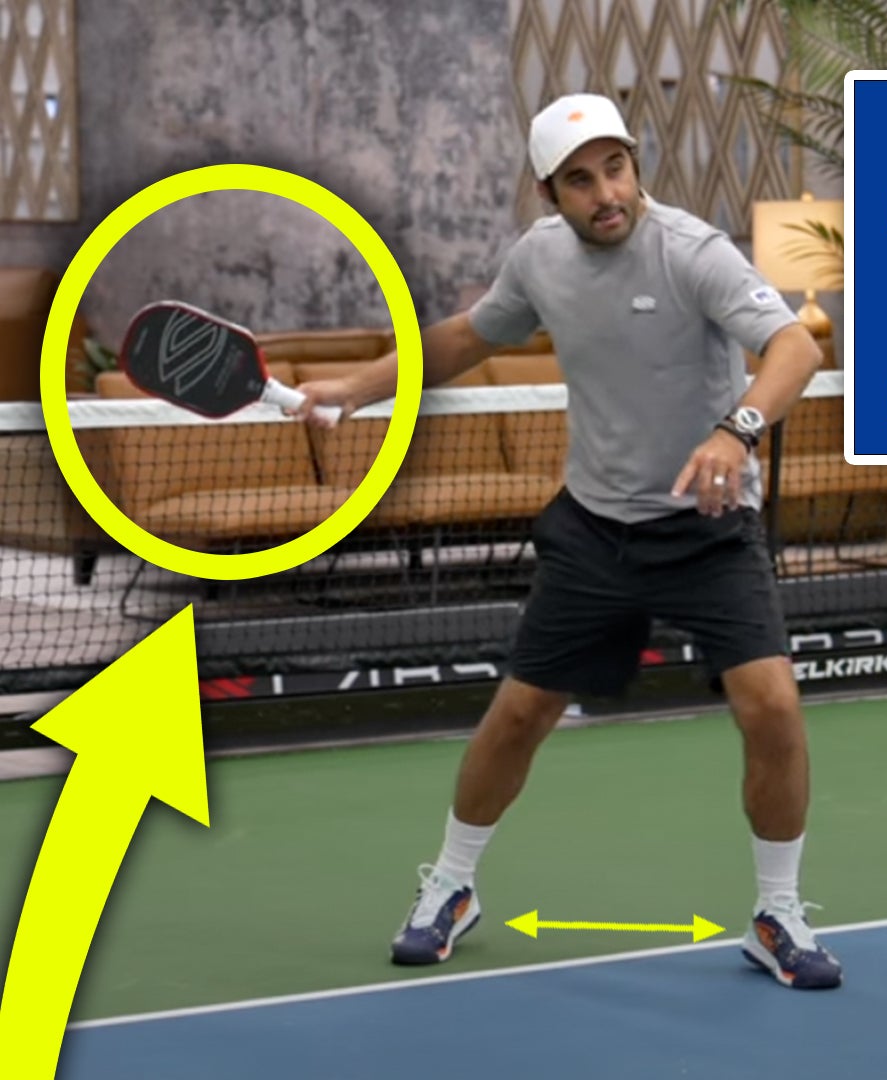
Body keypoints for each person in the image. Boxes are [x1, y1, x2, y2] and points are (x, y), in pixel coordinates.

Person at [292, 91, 839, 990]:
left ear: (635, 166)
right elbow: (470, 334)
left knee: (773, 707)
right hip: (596, 530)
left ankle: (777, 914)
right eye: (579, 181)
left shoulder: (692, 251)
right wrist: (363, 384)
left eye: (615, 168)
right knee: (520, 714)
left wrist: (734, 431)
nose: (605, 193)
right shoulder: (540, 258)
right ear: (551, 194)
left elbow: (794, 348)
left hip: (706, 529)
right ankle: (452, 887)